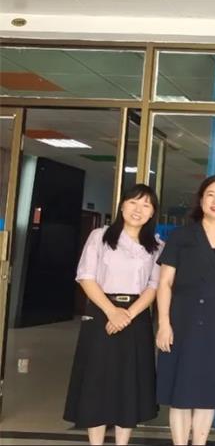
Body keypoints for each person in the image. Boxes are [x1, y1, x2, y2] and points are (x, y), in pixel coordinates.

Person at [155, 175, 215, 446]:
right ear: (201, 200)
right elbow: (165, 283)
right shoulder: (181, 236)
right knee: (181, 393)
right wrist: (164, 323)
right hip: (183, 321)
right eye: (210, 194)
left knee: (208, 394)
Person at [64, 184, 162, 445]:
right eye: (133, 202)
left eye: (146, 205)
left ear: (152, 212)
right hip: (101, 313)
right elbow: (85, 276)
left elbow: (154, 286)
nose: (138, 209)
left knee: (128, 383)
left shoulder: (156, 246)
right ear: (121, 205)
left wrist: (126, 315)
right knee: (96, 381)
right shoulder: (100, 236)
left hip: (136, 317)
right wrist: (111, 312)